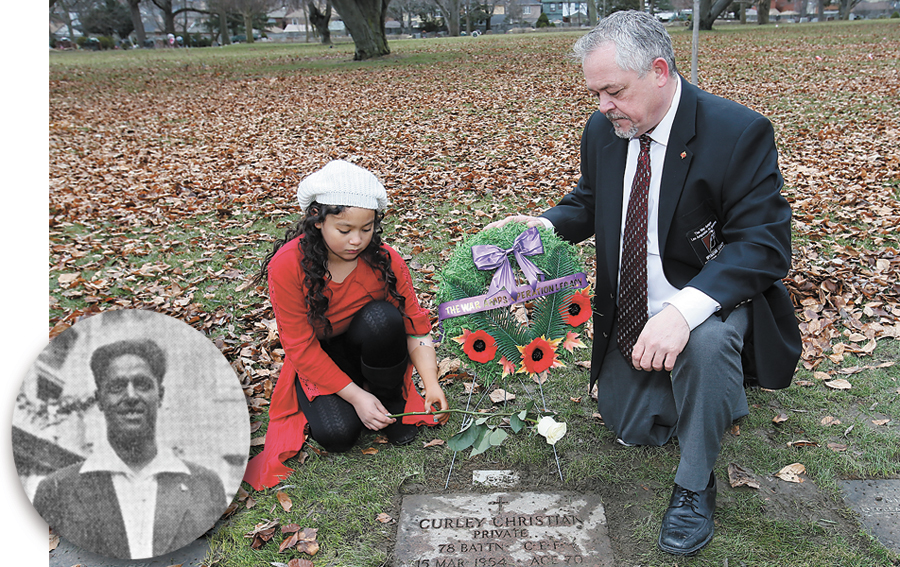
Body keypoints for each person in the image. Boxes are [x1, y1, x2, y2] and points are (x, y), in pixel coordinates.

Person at [488, 11, 800, 555]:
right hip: (630, 312)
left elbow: (764, 245)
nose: (602, 105)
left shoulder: (736, 132)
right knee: (633, 428)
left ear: (660, 71)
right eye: (596, 93)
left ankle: (694, 486)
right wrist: (538, 226)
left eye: (612, 91)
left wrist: (683, 313)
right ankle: (713, 395)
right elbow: (591, 201)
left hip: (707, 297)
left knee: (703, 347)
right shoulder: (605, 129)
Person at [242, 160, 450, 491]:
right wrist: (354, 397)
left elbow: (415, 324)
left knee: (383, 318)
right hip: (320, 356)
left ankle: (388, 398)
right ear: (317, 221)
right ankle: (362, 396)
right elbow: (299, 347)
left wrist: (431, 383)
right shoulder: (287, 265)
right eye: (344, 230)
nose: (356, 240)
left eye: (366, 229)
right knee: (338, 435)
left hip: (371, 344)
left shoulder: (385, 260)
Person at [32, 339, 226, 560]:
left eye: (142, 384)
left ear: (160, 395)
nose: (131, 396)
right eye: (117, 387)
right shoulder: (56, 491)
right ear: (100, 400)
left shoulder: (206, 487)